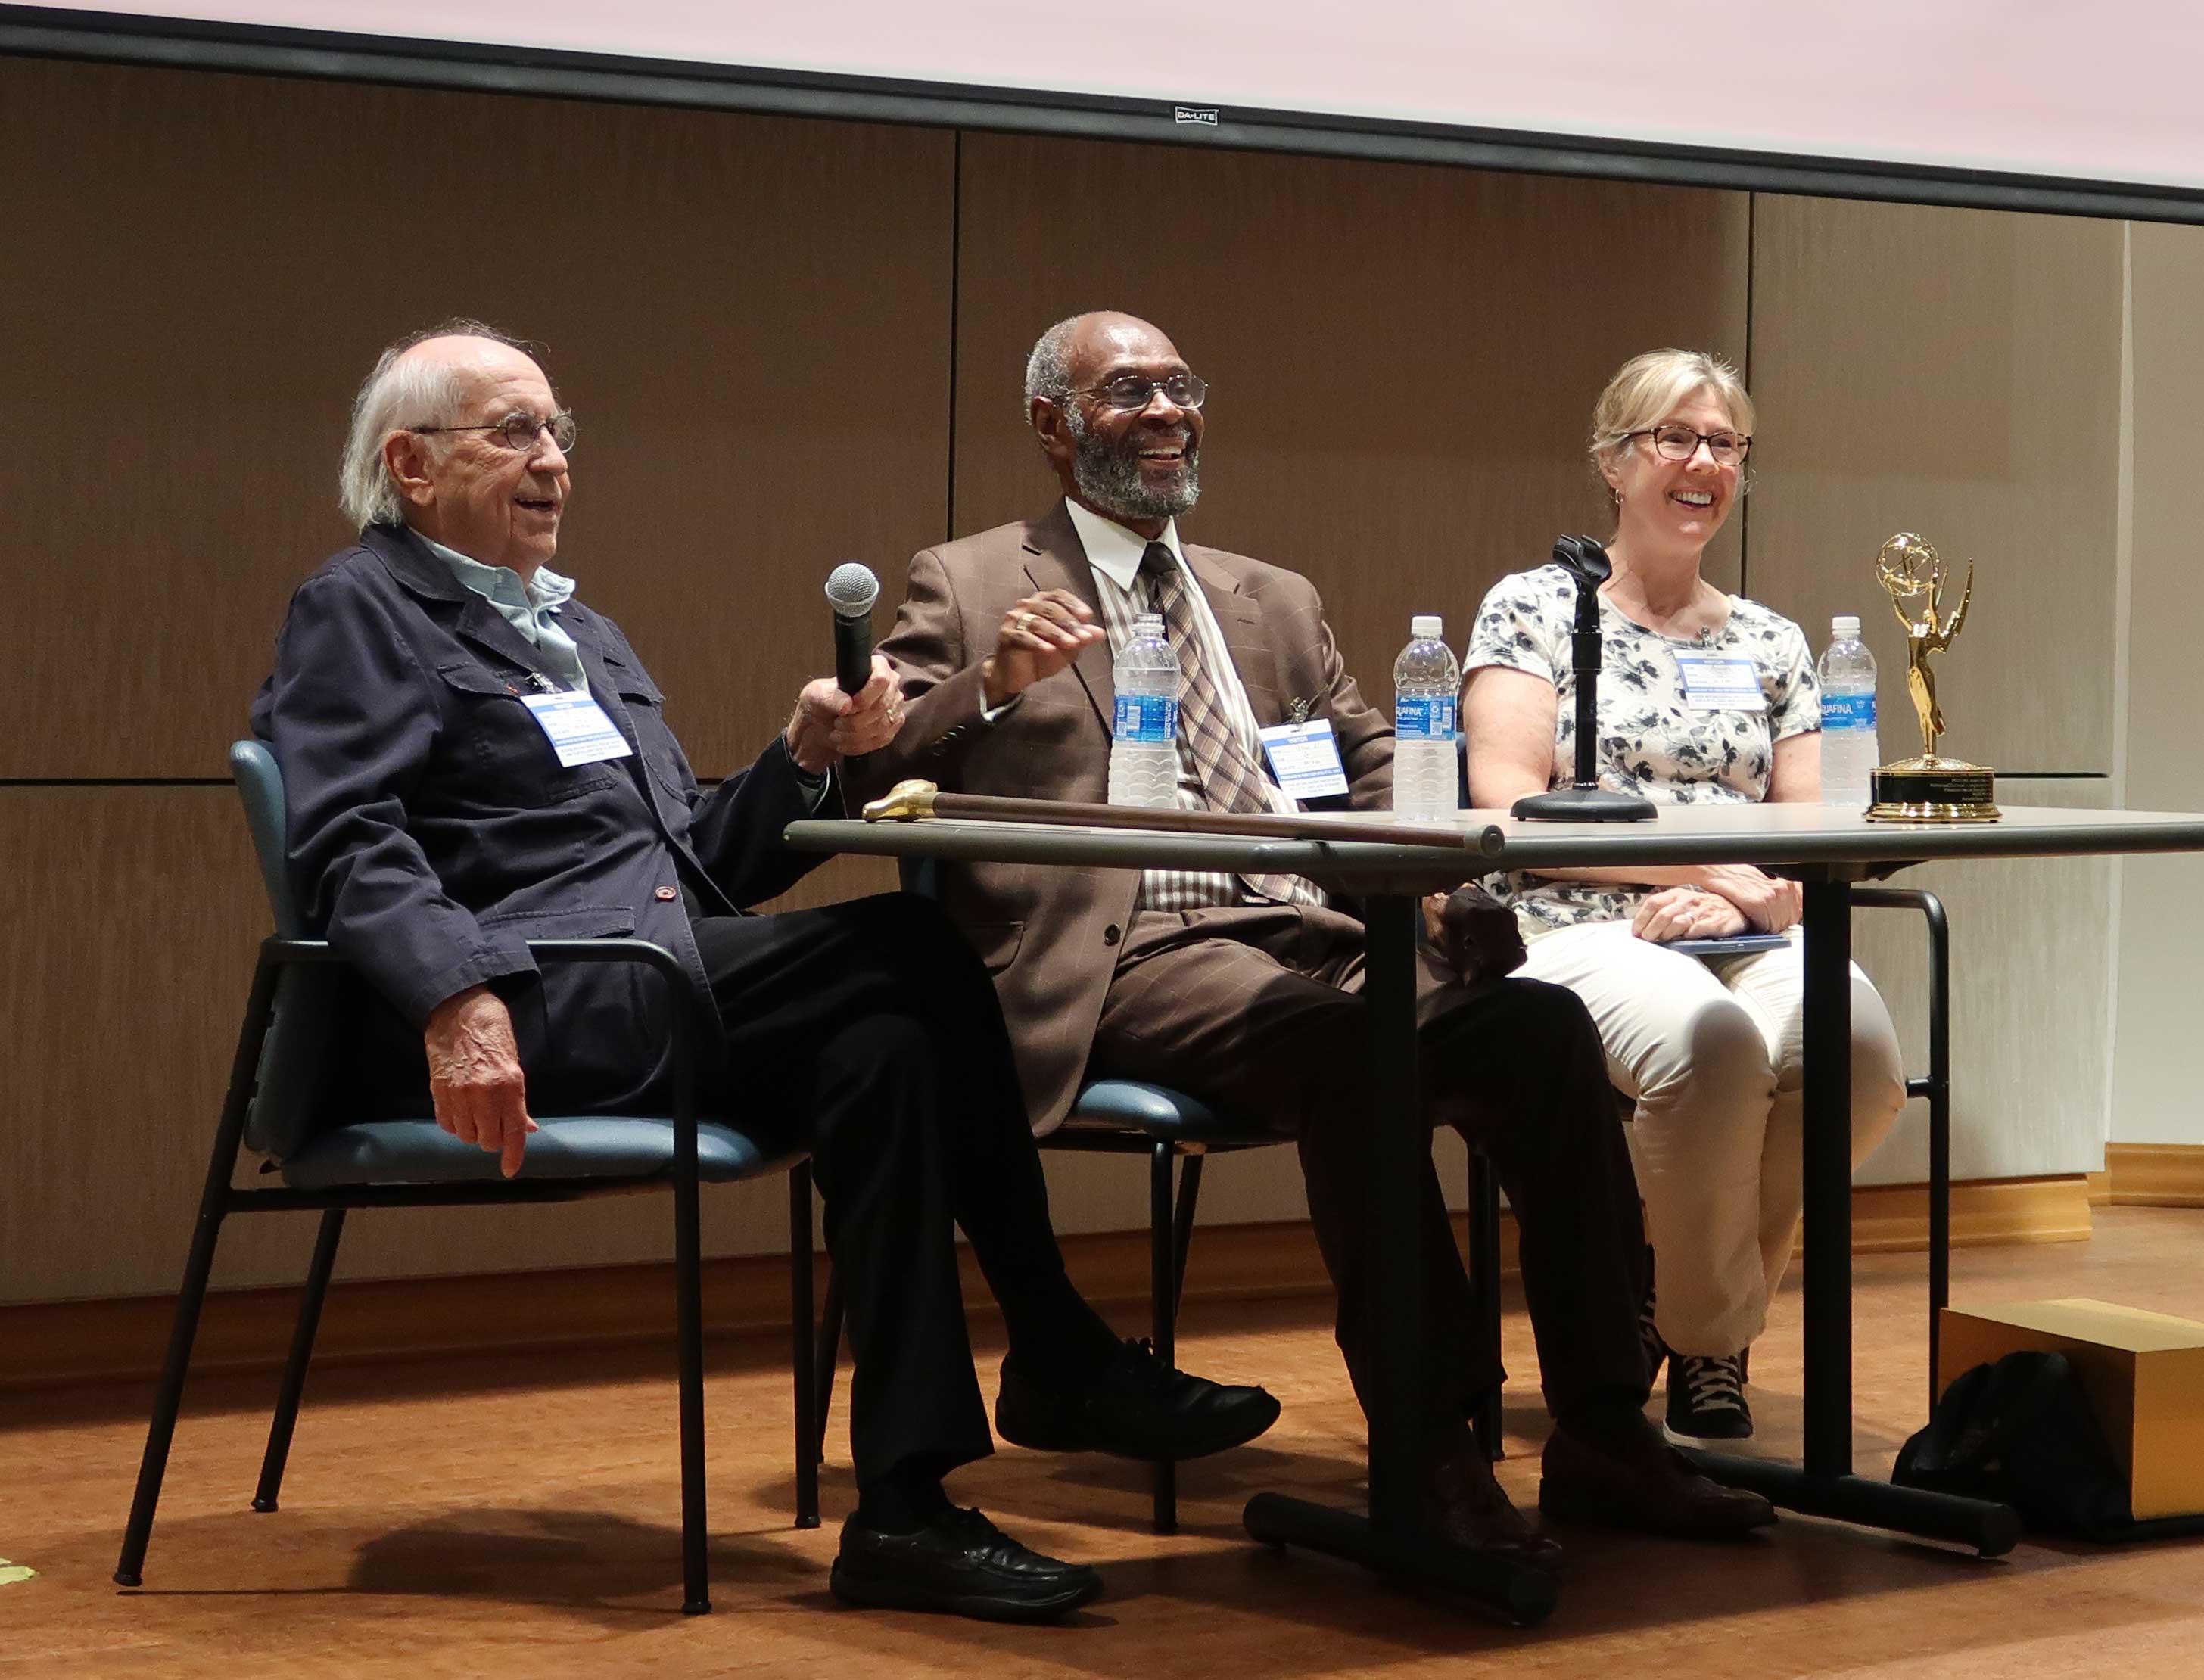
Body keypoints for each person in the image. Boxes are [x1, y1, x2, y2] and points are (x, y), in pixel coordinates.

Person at [253, 322, 1278, 1624]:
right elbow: (345, 833)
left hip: (651, 974)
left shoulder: (584, 638)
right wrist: (455, 1002)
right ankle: (1057, 1344)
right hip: (534, 999)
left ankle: (904, 1508)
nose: (553, 461)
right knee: (910, 945)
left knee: (884, 1052)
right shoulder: (363, 606)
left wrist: (799, 756)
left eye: (560, 431)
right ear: (408, 465)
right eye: (513, 431)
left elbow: (699, 867)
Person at [865, 311, 1773, 1563]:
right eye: (1129, 392)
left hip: (1323, 928)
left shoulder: (1268, 597)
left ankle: (1607, 1431)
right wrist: (996, 683)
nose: (1168, 413)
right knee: (1359, 1057)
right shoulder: (968, 580)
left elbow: (1376, 755)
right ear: (1051, 426)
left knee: (1541, 1031)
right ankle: (1433, 1458)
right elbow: (887, 752)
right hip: (1134, 955)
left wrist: (1447, 863)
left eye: (1181, 387)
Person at [1459, 349, 1910, 1442]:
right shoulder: (1534, 608)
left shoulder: (1771, 641)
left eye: (1725, 444)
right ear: (1615, 464)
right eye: (1675, 437)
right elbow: (1509, 808)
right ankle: (1718, 1344)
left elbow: (1820, 828)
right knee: (1711, 1050)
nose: (1703, 461)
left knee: (1853, 1055)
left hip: (1744, 923)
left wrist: (1754, 902)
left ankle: (1682, 1309)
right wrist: (1689, 874)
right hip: (1575, 921)